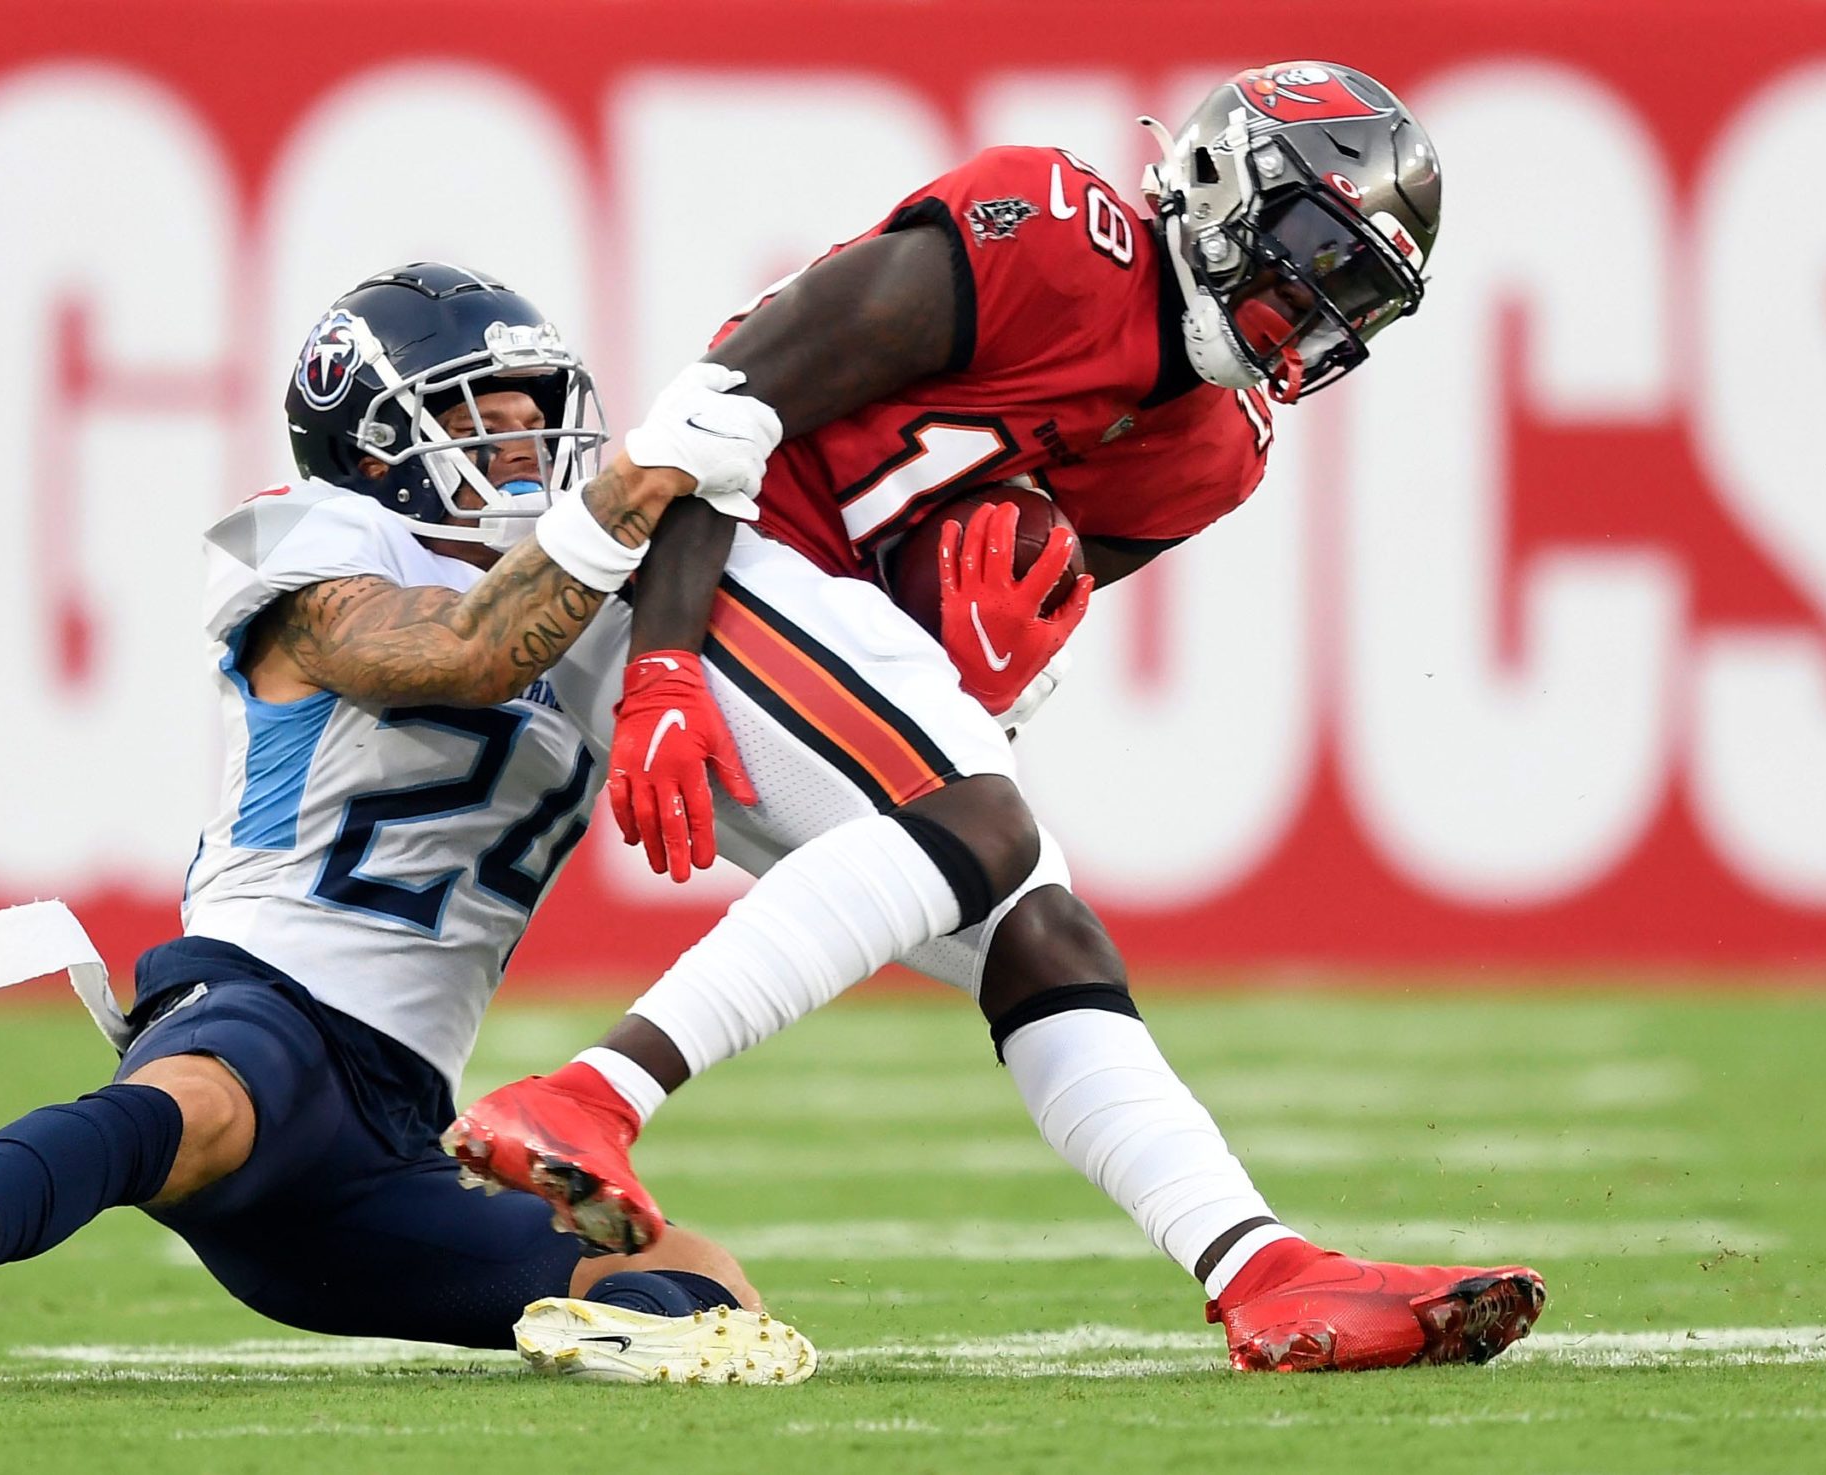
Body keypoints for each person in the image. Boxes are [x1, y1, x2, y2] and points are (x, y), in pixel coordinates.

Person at [445, 64, 1548, 1373]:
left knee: (1040, 923)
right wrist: (667, 665)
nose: (1316, 309)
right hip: (688, 557)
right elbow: (715, 408)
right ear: (1217, 186)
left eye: (1355, 291)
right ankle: (586, 1093)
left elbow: (966, 624)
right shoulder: (1051, 237)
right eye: (1313, 252)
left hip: (806, 613)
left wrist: (994, 656)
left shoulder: (1215, 448)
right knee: (981, 822)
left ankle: (1260, 1264)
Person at [0, 263, 816, 1386]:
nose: (525, 449)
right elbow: (465, 649)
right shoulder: (314, 541)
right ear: (373, 444)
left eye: (537, 417)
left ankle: (590, 1333)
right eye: (484, 417)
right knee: (208, 1104)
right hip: (262, 998)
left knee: (699, 1282)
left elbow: (802, 737)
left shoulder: (605, 604)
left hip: (394, 1132)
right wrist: (646, 484)